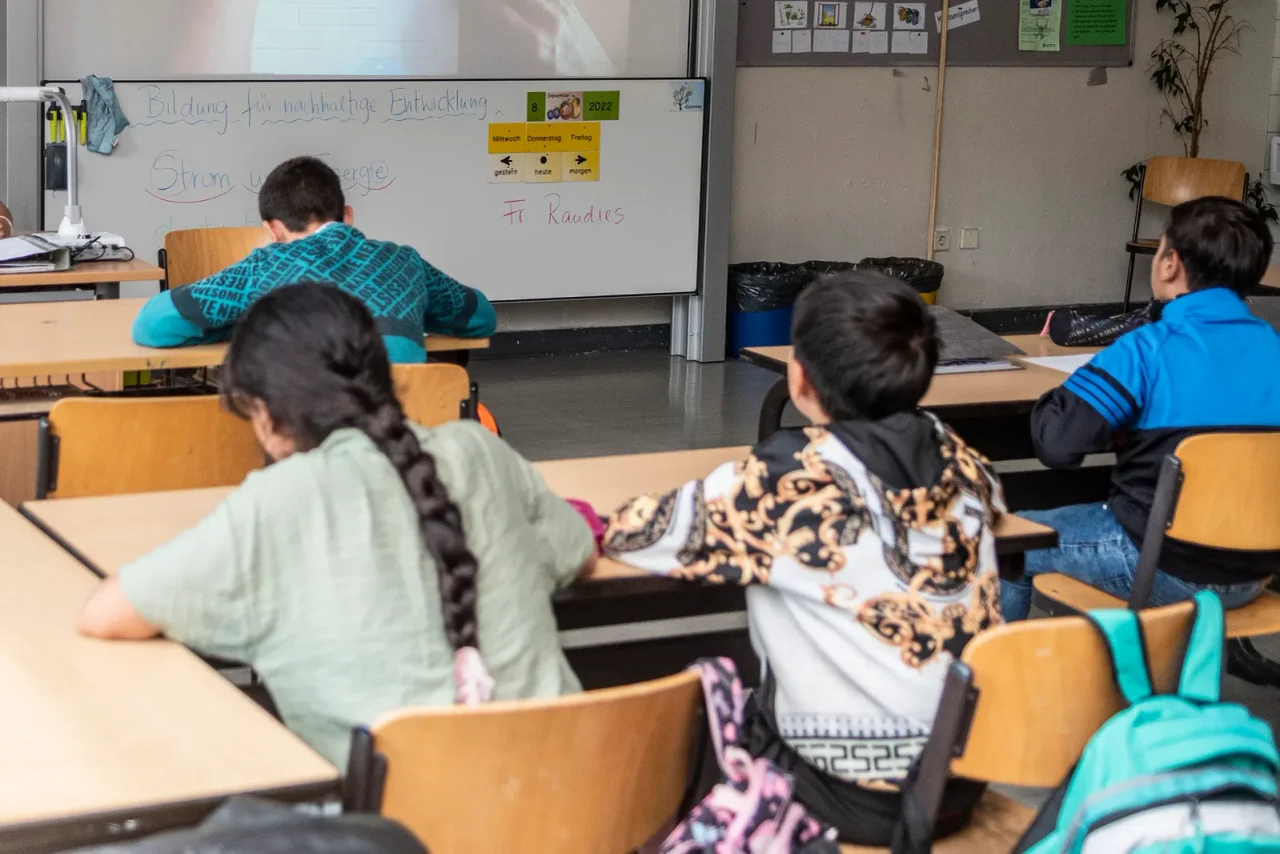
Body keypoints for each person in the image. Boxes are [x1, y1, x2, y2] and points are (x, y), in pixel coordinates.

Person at [82, 283, 593, 768]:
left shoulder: (276, 502)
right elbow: (579, 549)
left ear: (264, 414)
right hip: (583, 811)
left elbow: (108, 613)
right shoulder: (480, 449)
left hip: (401, 831)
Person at [603, 271, 1006, 846]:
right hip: (963, 775)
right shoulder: (962, 460)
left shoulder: (791, 482)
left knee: (685, 733)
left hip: (853, 793)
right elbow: (984, 503)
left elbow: (638, 533)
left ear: (799, 378)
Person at [1003, 196, 1280, 621]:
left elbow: (1057, 444)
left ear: (1170, 263)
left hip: (1164, 565)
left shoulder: (1148, 348)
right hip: (1258, 570)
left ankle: (992, 684)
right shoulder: (1273, 346)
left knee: (1007, 544)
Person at [132, 156, 496, 362]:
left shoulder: (263, 269)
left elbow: (151, 325)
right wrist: (413, 313)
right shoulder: (404, 262)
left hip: (305, 446)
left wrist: (244, 324)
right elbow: (481, 317)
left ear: (272, 230)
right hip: (402, 444)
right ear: (348, 215)